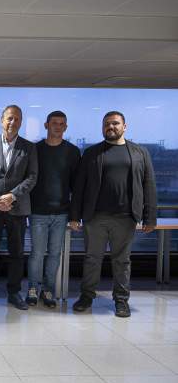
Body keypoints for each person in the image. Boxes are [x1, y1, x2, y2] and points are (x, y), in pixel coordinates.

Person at [70, 111, 156, 318]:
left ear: (124, 126)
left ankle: (121, 301)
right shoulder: (92, 153)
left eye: (115, 123)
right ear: (102, 127)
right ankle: (87, 296)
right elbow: (79, 186)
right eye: (107, 124)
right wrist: (75, 215)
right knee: (92, 259)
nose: (111, 127)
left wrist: (150, 217)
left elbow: (149, 185)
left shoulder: (139, 152)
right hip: (96, 217)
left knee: (122, 261)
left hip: (126, 217)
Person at [0, 105, 38, 310]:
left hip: (18, 208)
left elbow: (32, 177)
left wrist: (12, 196)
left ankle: (14, 293)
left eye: (16, 119)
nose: (12, 122)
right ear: (1, 120)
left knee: (17, 252)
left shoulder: (29, 148)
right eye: (9, 118)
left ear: (21, 122)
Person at [26, 111, 80, 308]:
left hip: (62, 213)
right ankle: (33, 288)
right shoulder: (35, 149)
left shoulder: (73, 152)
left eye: (62, 124)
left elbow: (77, 186)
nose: (58, 126)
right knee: (37, 253)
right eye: (54, 123)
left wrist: (75, 216)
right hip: (37, 211)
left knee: (55, 254)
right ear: (46, 125)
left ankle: (48, 290)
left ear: (66, 127)